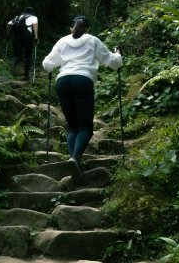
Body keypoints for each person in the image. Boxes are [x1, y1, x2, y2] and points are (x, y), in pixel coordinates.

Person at [42, 15, 122, 184]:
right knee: (85, 126)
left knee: (72, 127)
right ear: (88, 28)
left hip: (63, 81)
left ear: (72, 28)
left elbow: (47, 64)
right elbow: (113, 62)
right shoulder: (93, 40)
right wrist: (118, 54)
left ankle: (73, 161)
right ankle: (75, 159)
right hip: (82, 80)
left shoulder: (62, 41)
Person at [7, 7, 39, 81]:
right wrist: (36, 37)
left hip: (16, 36)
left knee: (18, 55)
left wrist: (8, 35)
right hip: (27, 35)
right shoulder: (33, 17)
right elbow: (35, 24)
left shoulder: (18, 17)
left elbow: (8, 24)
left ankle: (13, 62)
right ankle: (26, 75)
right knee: (28, 56)